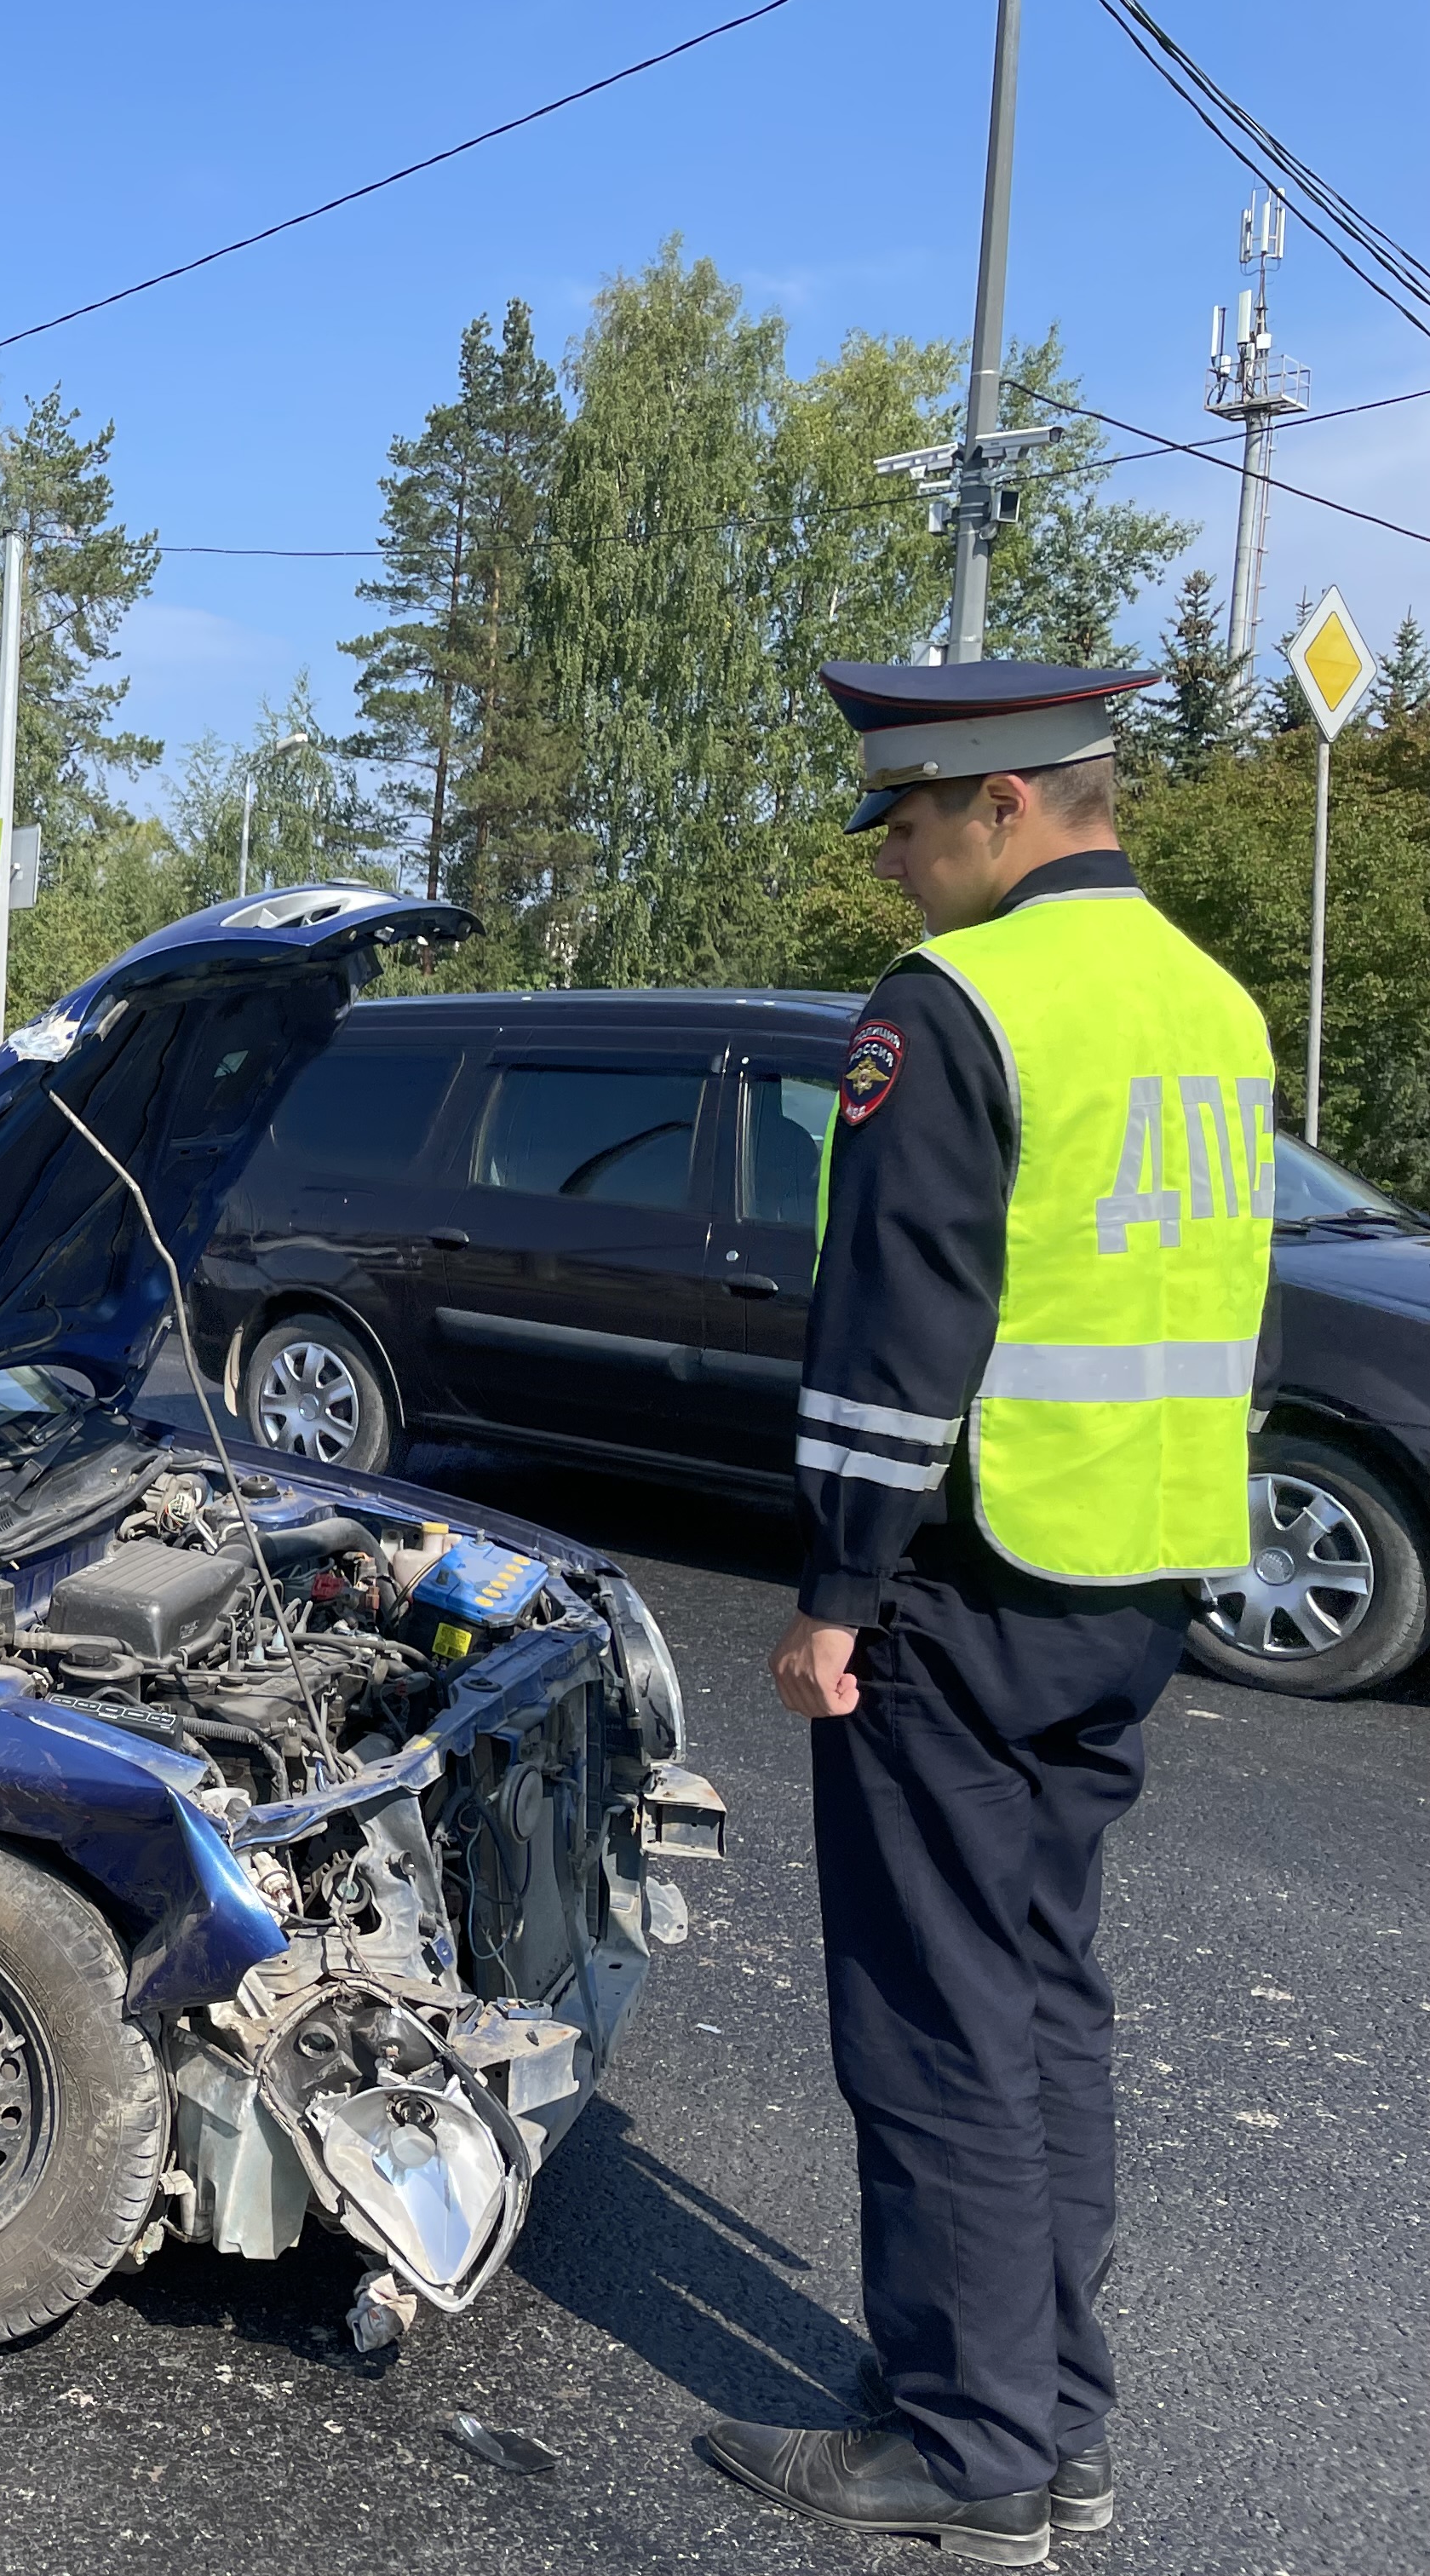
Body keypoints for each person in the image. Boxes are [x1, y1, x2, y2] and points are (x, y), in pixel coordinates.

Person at [705, 661, 1276, 2569]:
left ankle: (966, 2453)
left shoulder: (956, 1009)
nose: (895, 868)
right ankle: (1062, 2428)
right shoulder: (1210, 1004)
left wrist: (835, 1592)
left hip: (966, 1582)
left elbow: (897, 1331)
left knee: (935, 2022)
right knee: (1043, 2001)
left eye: (913, 825)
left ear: (1012, 803)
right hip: (1141, 1576)